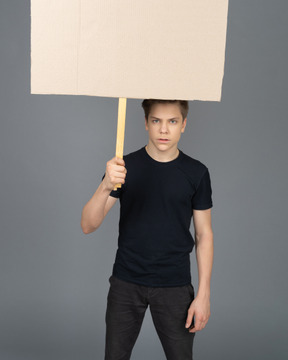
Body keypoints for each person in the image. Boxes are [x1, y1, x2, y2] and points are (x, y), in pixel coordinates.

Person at [81, 99, 214, 360]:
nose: (164, 130)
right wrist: (106, 185)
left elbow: (204, 235)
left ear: (184, 125)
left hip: (175, 284)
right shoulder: (123, 168)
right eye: (156, 121)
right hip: (126, 282)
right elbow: (88, 225)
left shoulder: (197, 173)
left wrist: (204, 295)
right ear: (146, 123)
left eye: (172, 121)